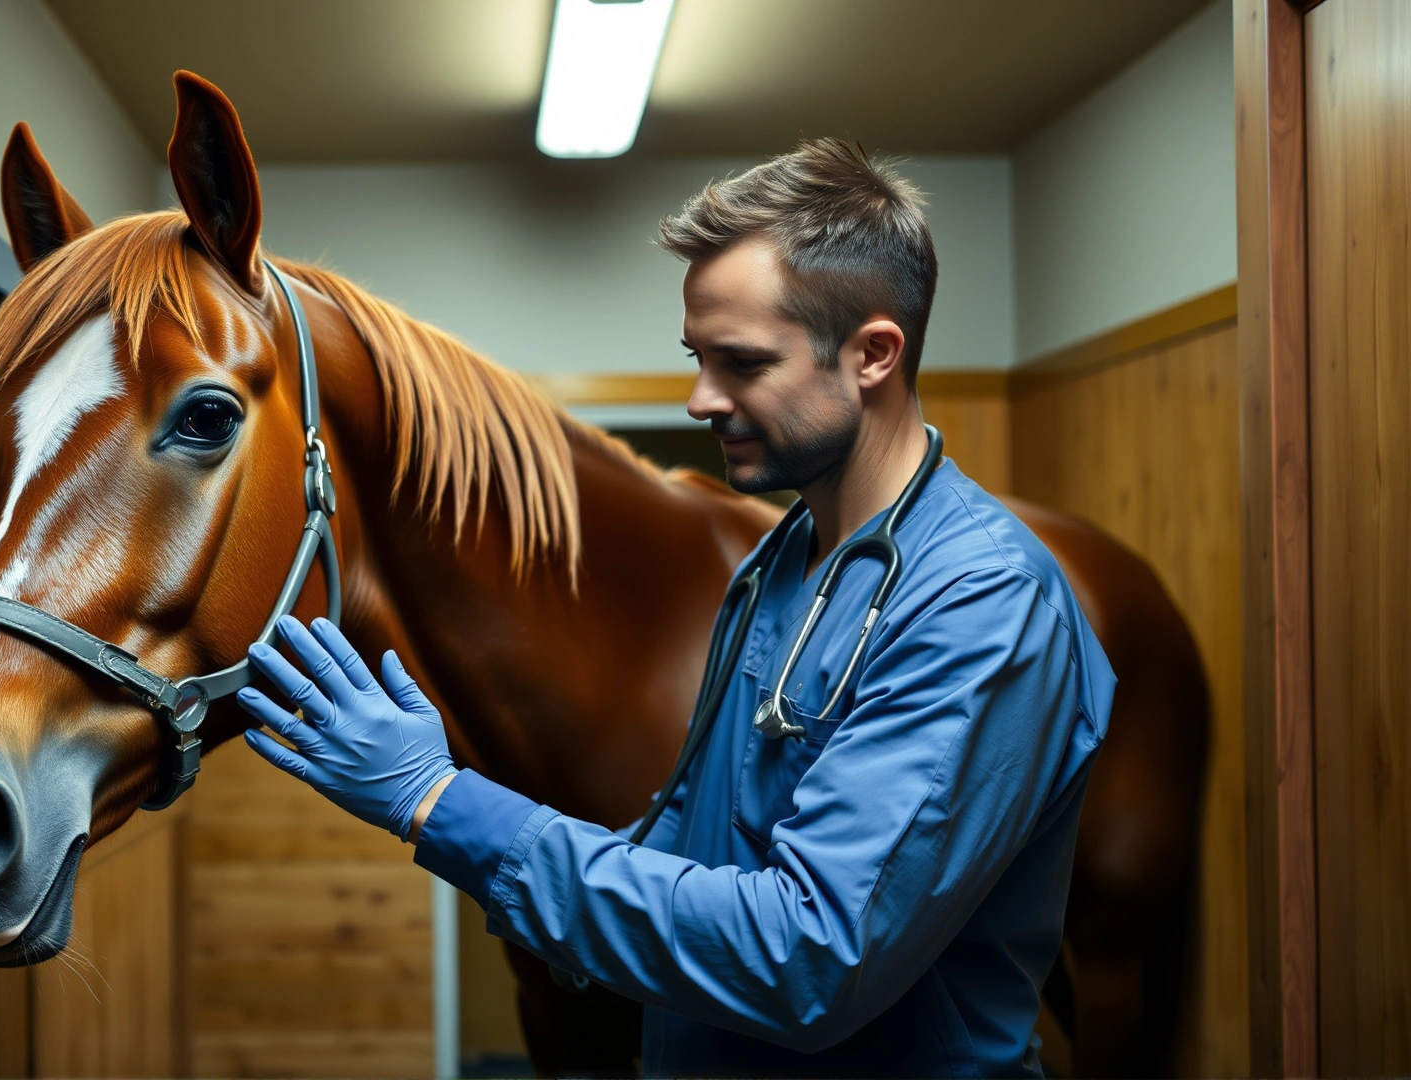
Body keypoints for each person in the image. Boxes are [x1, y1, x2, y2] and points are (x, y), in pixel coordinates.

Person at [235, 139, 1114, 1078]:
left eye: (741, 363)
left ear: (872, 354)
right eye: (698, 357)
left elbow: (808, 955)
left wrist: (438, 803)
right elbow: (685, 840)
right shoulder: (783, 559)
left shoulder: (981, 603)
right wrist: (445, 794)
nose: (701, 399)